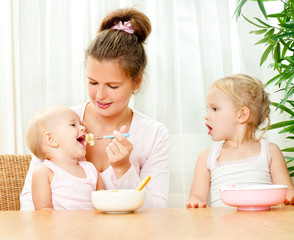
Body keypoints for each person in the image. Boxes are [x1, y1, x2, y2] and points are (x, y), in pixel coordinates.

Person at [21, 7, 170, 210]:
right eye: (92, 82)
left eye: (112, 86)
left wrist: (124, 169)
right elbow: (30, 205)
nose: (100, 95)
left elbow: (158, 213)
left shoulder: (154, 134)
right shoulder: (59, 121)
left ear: (136, 82)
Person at [186, 73, 294, 208]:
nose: (206, 116)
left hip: (263, 227)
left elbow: (287, 191)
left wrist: (290, 198)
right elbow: (197, 196)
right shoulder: (207, 157)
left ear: (242, 115)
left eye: (214, 109)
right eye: (207, 109)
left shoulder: (270, 151)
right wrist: (194, 201)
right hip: (221, 227)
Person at [26, 105, 104, 210]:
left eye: (80, 124)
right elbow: (43, 213)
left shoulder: (91, 170)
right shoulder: (44, 172)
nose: (83, 128)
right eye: (73, 125)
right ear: (51, 139)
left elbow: (104, 205)